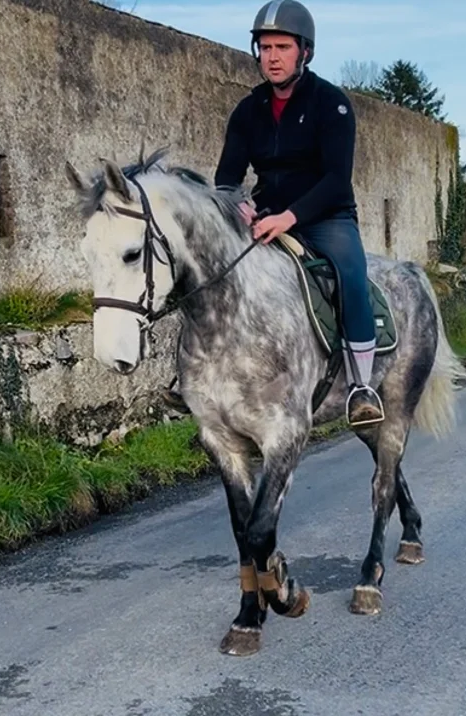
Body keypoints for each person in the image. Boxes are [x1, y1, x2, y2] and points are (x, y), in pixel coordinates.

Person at [162, 0, 385, 428]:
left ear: (305, 51)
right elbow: (227, 177)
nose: (272, 57)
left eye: (282, 47)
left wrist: (290, 218)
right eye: (264, 48)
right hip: (262, 214)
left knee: (351, 274)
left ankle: (361, 386)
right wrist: (239, 206)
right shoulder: (248, 111)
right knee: (207, 271)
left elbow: (337, 180)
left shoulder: (332, 105)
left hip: (326, 216)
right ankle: (191, 375)